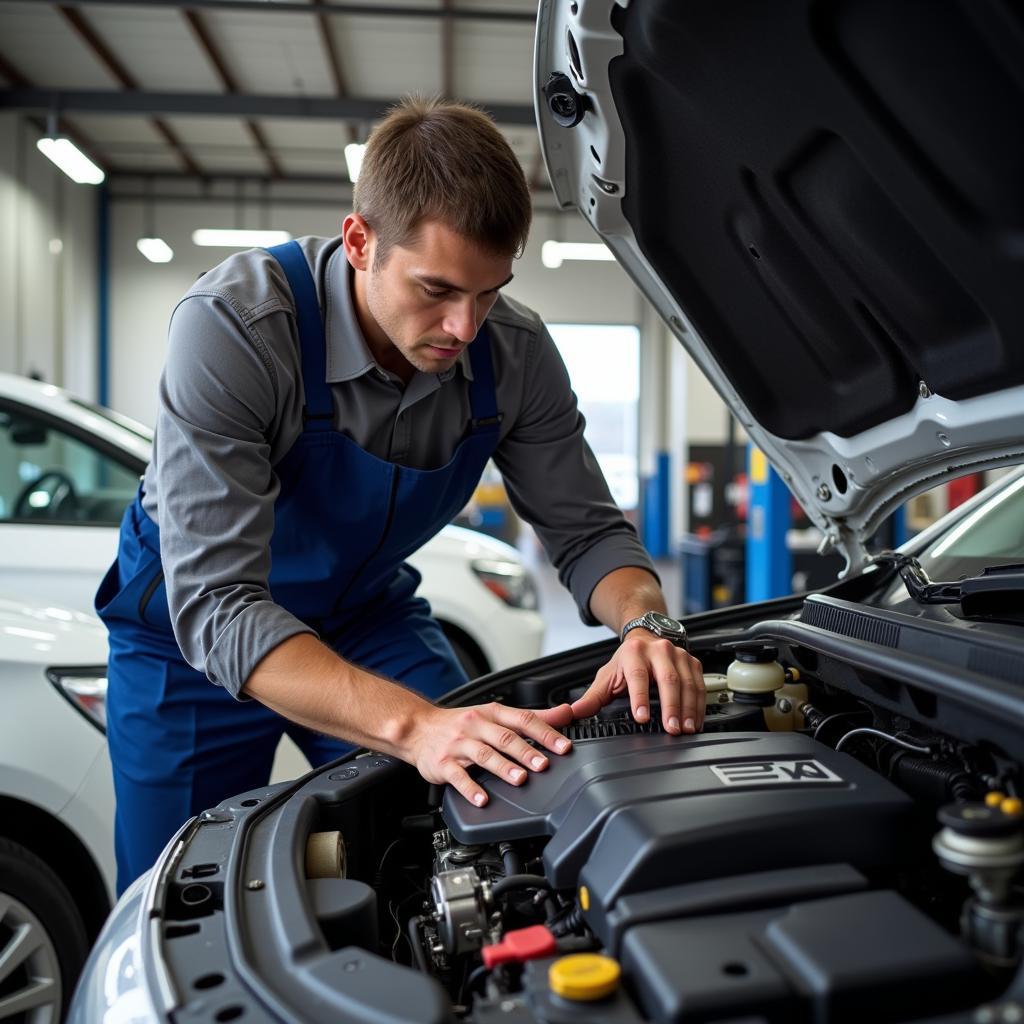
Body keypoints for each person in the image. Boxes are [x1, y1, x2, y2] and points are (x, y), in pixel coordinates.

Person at [96, 97, 704, 893]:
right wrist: (413, 725)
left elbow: (589, 536)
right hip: (188, 642)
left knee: (485, 801)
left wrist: (647, 623)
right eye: (438, 289)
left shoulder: (512, 354)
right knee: (176, 893)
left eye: (489, 293)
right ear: (360, 242)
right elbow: (219, 606)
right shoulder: (238, 326)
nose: (464, 326)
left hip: (361, 617)